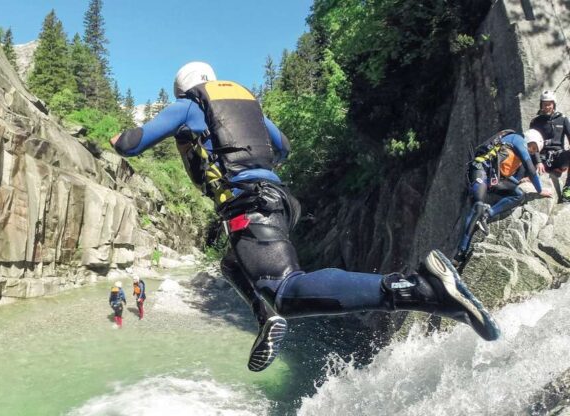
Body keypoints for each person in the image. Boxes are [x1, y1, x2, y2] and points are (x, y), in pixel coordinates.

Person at [110, 62, 501, 372]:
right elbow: (283, 148)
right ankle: (266, 316)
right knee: (232, 262)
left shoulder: (189, 105)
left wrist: (116, 139)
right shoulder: (245, 107)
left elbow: (131, 144)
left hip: (248, 203)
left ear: (185, 87)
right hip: (276, 199)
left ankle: (418, 289)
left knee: (285, 289)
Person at [453, 129, 552, 265]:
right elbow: (531, 168)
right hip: (479, 170)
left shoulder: (516, 150)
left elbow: (501, 171)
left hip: (492, 178)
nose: (532, 151)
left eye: (535, 151)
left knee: (518, 194)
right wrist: (540, 190)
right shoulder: (518, 139)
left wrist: (517, 182)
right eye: (533, 147)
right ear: (529, 139)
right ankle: (460, 253)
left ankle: (487, 215)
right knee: (478, 207)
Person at [530, 90, 570, 201]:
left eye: (549, 104)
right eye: (544, 104)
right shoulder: (535, 122)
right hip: (542, 158)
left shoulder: (562, 119)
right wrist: (538, 162)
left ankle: (568, 188)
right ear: (541, 105)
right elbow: (532, 145)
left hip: (558, 157)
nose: (547, 107)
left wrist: (567, 163)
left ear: (554, 104)